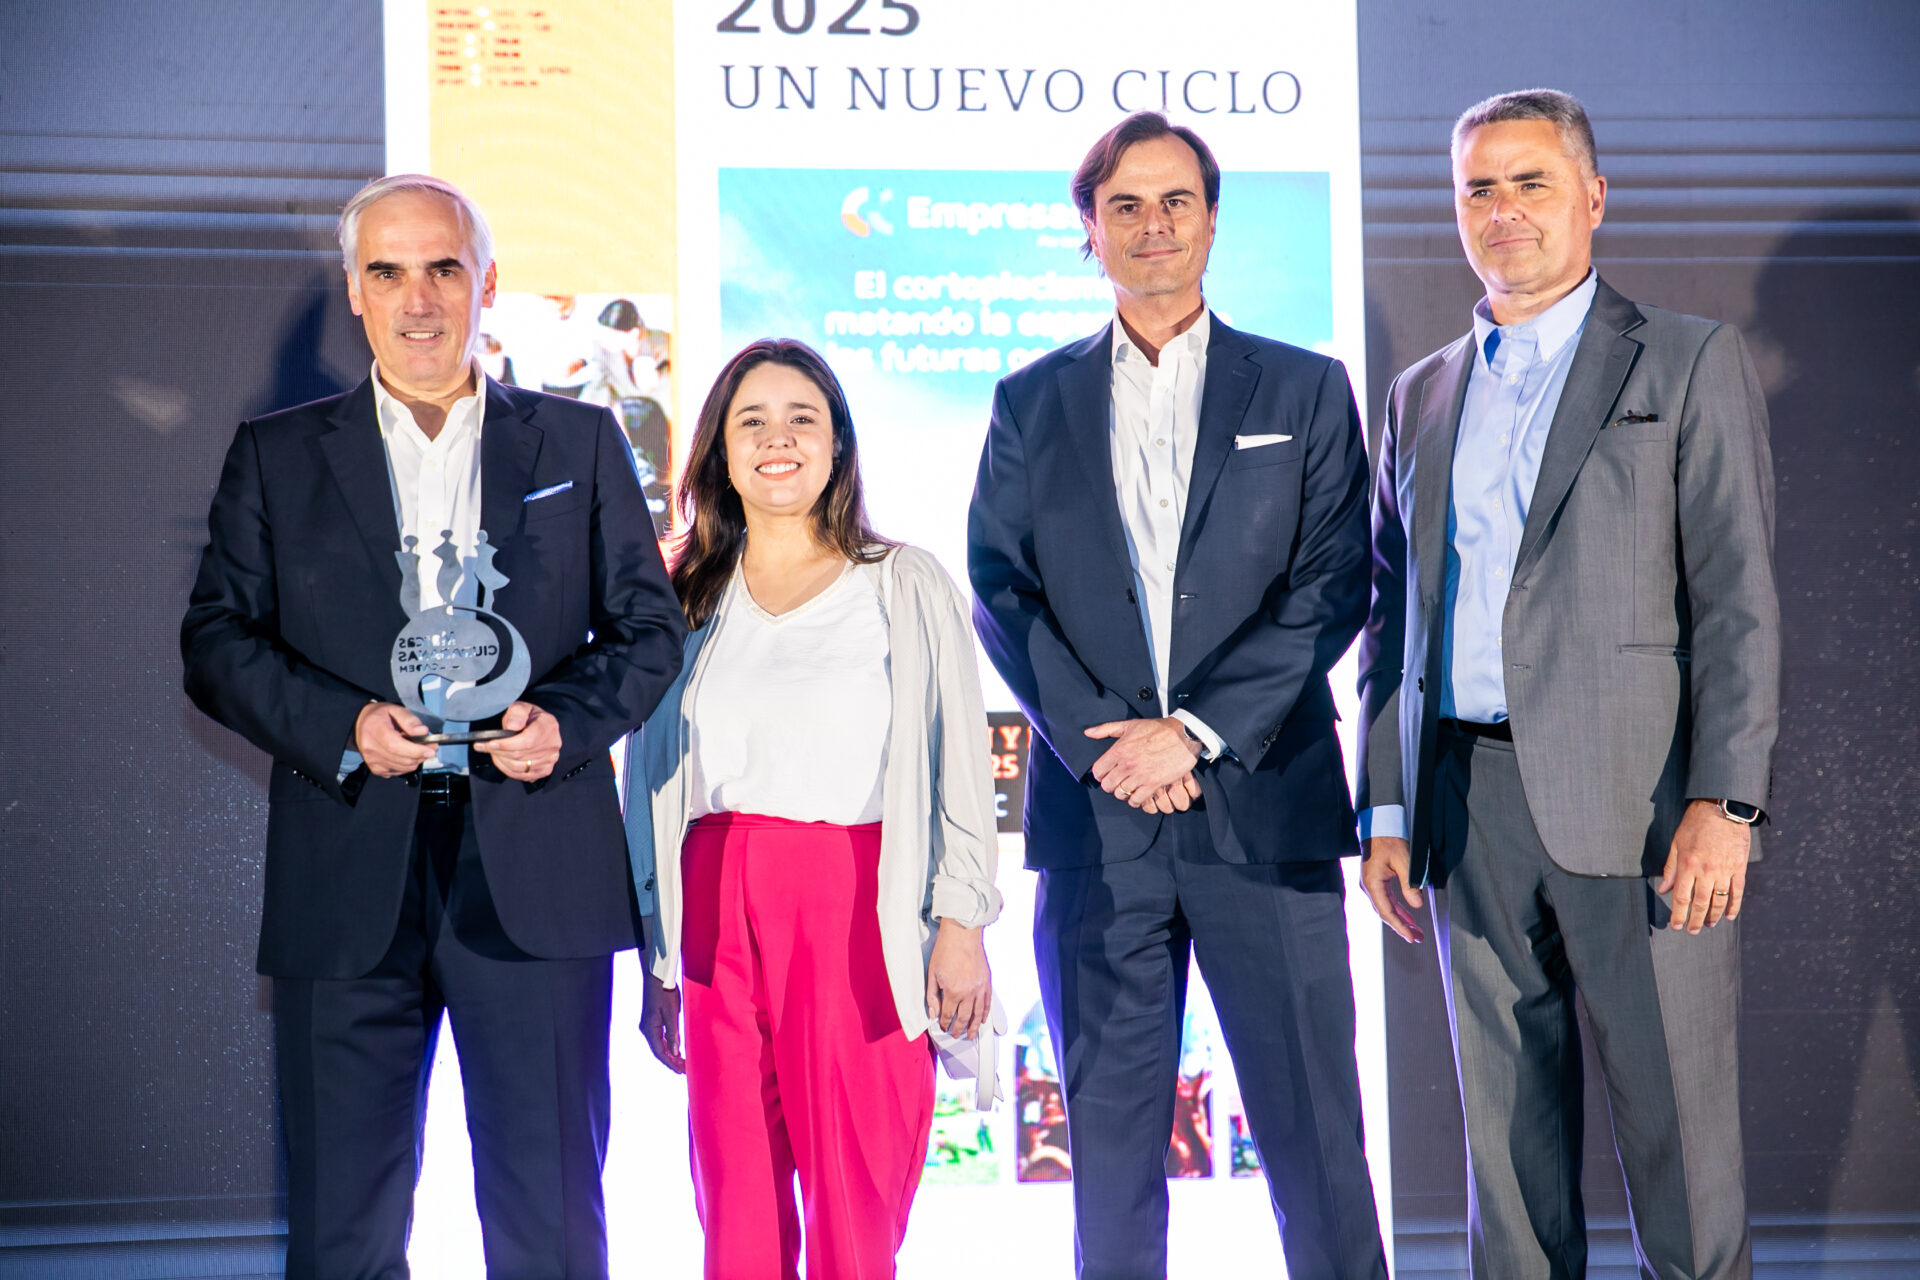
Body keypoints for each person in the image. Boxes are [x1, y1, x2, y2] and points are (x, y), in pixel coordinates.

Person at [180, 174, 685, 1279]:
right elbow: (215, 643)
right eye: (389, 271)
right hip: (346, 876)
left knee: (552, 1222)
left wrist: (565, 723)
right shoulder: (276, 453)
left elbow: (650, 630)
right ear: (355, 291)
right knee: (342, 1232)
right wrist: (347, 725)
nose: (419, 298)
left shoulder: (580, 442)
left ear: (486, 283)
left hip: (536, 872)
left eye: (444, 268)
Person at [1357, 89, 1778, 1279]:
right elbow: (1393, 615)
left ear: (1593, 197)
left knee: (1682, 1151)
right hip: (1466, 806)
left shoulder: (1686, 359)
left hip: (1646, 811)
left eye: (1530, 182)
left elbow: (1740, 597)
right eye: (1478, 189)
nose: (1503, 210)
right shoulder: (1422, 392)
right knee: (1507, 1165)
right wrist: (1386, 804)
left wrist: (1728, 801)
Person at [968, 111, 1388, 1279]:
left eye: (1175, 202)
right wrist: (1112, 744)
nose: (1152, 226)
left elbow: (1333, 581)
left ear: (1211, 221)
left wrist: (1194, 733)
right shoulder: (1030, 400)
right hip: (1098, 822)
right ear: (1088, 230)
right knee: (1106, 1154)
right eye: (1125, 206)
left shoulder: (1305, 386)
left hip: (1266, 813)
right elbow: (1001, 587)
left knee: (1316, 1140)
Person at [625, 338, 1002, 1279]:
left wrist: (961, 925)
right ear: (718, 452)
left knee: (855, 1197)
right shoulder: (679, 594)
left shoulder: (902, 582)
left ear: (839, 444)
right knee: (737, 1208)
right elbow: (649, 781)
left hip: (856, 907)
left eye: (803, 419)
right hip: (714, 910)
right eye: (752, 421)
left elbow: (960, 764)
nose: (778, 439)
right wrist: (659, 955)